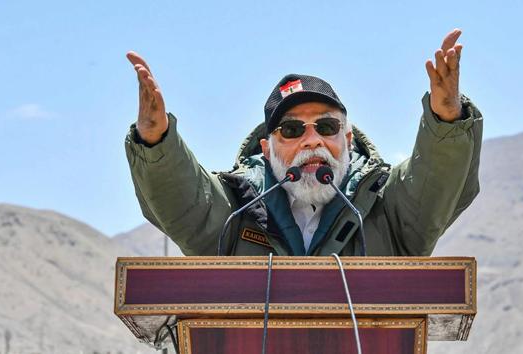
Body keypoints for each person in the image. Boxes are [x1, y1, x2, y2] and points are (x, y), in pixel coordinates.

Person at [124, 29, 483, 256]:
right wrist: (156, 141)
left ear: (346, 138)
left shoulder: (386, 205)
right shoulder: (237, 208)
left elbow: (435, 186)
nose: (312, 141)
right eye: (293, 131)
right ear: (267, 149)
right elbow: (187, 205)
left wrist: (446, 121)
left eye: (326, 126)